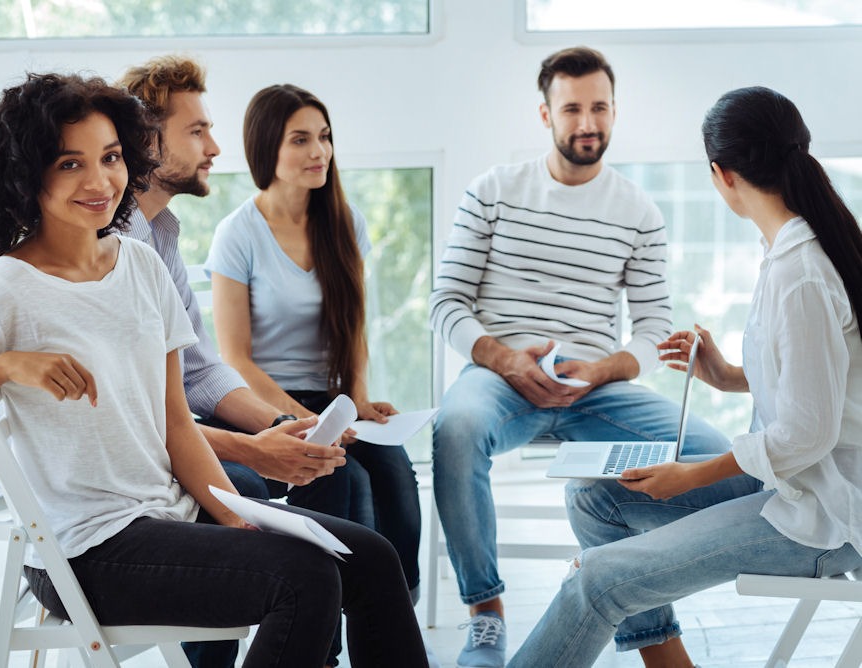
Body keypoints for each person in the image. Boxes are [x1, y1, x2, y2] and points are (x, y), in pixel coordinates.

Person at [0, 71, 429, 668]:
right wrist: (1, 366)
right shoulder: (4, 290)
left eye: (112, 157)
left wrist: (232, 511)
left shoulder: (143, 265)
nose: (100, 182)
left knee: (372, 558)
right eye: (71, 164)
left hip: (170, 509)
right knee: (303, 580)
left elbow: (176, 424)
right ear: (28, 172)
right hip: (87, 547)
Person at [507, 85, 862, 667]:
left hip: (822, 517)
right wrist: (725, 376)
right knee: (595, 499)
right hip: (797, 487)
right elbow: (822, 382)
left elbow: (808, 433)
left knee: (596, 581)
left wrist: (693, 476)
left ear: (721, 174)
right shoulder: (793, 249)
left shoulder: (801, 270)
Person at [428, 46, 731, 667]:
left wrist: (603, 369)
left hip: (598, 387)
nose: (587, 122)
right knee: (453, 428)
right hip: (500, 378)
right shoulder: (492, 191)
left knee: (715, 455)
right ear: (545, 115)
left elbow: (651, 332)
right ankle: (485, 610)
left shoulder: (638, 212)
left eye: (600, 107)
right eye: (572, 109)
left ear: (615, 111)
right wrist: (503, 358)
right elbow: (446, 304)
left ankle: (638, 599)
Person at [116, 57, 378, 667]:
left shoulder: (161, 238)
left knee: (341, 474)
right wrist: (260, 445)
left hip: (170, 430)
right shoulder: (116, 249)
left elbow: (202, 371)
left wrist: (272, 426)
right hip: (117, 467)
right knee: (248, 484)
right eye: (197, 131)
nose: (214, 146)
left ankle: (315, 644)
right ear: (147, 142)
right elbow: (135, 414)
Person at [206, 83, 425, 664]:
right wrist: (301, 418)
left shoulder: (343, 222)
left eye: (324, 137)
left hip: (335, 396)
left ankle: (390, 621)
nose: (319, 151)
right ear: (266, 151)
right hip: (263, 397)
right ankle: (322, 648)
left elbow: (352, 328)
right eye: (300, 139)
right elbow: (235, 358)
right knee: (340, 483)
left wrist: (358, 399)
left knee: (398, 480)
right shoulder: (237, 234)